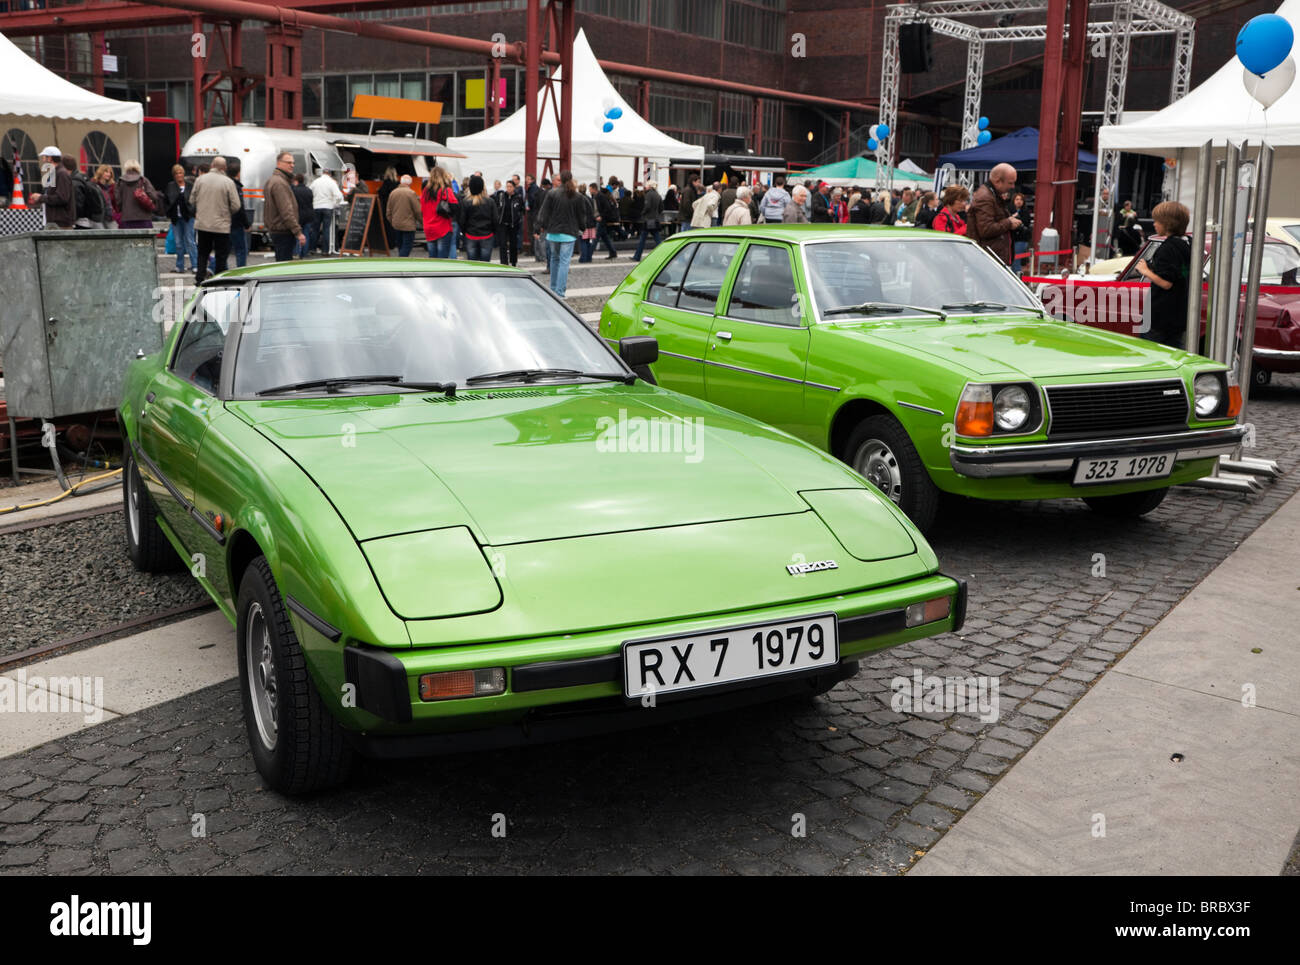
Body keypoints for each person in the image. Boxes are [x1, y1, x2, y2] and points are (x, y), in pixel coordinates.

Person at [1134, 201, 1191, 349]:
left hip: (1159, 317)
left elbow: (1166, 283)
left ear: (1167, 223)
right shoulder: (1185, 245)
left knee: (1150, 358)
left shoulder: (1166, 249)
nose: (1154, 224)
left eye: (1157, 221)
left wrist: (1146, 271)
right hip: (1178, 316)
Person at [535, 170, 591, 298]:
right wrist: (582, 228)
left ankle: (553, 289)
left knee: (554, 260)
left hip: (553, 232)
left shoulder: (552, 193)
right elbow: (581, 215)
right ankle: (560, 292)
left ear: (560, 179)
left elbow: (544, 212)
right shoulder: (577, 196)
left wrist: (538, 227)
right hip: (569, 233)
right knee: (564, 262)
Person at [189, 155, 241, 283]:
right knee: (221, 256)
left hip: (203, 224)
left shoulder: (200, 180)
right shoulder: (228, 182)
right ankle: (218, 279)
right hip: (221, 226)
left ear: (212, 165)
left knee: (203, 253)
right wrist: (227, 213)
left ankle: (200, 277)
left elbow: (191, 200)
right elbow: (236, 205)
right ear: (224, 168)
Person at [967, 162, 1021, 265]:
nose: (1013, 186)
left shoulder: (992, 195)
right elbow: (986, 229)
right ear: (998, 181)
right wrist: (1009, 222)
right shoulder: (985, 197)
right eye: (1010, 183)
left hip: (992, 257)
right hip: (988, 259)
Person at [261, 151, 305, 263]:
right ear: (279, 163)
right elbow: (286, 211)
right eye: (288, 162)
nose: (292, 165)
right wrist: (298, 232)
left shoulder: (275, 180)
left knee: (281, 264)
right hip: (283, 231)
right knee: (284, 265)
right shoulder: (280, 183)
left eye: (293, 163)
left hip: (278, 230)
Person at [29, 146, 75, 228]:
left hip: (60, 223)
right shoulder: (56, 173)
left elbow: (62, 198)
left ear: (50, 158)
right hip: (56, 222)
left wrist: (40, 198)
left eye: (44, 157)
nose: (43, 161)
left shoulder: (61, 174)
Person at [457, 174, 498, 262]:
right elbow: (495, 219)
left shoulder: (465, 202)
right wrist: (493, 232)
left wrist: (465, 232)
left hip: (471, 235)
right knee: (485, 264)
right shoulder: (490, 201)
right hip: (487, 235)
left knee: (472, 264)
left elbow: (462, 220)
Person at [164, 164, 197, 272]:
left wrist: (192, 211)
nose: (179, 175)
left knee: (190, 241)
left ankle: (195, 265)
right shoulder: (170, 186)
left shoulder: (190, 185)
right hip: (176, 217)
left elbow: (194, 201)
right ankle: (180, 265)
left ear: (184, 174)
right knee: (178, 242)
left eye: (181, 173)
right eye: (177, 173)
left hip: (188, 217)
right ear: (174, 175)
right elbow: (167, 201)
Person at [113, 159, 162, 231]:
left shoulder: (120, 182)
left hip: (127, 219)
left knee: (128, 241)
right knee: (145, 241)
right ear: (138, 167)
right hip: (144, 218)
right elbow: (153, 196)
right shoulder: (143, 180)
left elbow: (118, 201)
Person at [421, 166, 459, 259]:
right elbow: (456, 207)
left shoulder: (425, 192)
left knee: (432, 258)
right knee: (442, 259)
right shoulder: (446, 190)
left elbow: (422, 209)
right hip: (443, 228)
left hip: (428, 228)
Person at [310, 169, 345, 254]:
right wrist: (334, 203)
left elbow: (310, 192)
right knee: (326, 229)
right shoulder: (331, 182)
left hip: (316, 207)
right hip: (327, 207)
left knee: (315, 229)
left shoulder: (315, 182)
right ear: (330, 174)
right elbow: (339, 196)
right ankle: (325, 250)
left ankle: (312, 249)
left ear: (323, 173)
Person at [67, 157, 106, 230]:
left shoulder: (75, 183)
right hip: (89, 220)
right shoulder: (83, 178)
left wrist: (72, 217)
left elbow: (78, 205)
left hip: (80, 222)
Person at [495, 177, 525, 266]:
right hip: (503, 223)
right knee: (503, 244)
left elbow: (522, 209)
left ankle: (513, 262)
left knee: (513, 244)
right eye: (507, 186)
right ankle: (504, 262)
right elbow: (497, 207)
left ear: (514, 187)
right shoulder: (501, 196)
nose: (508, 188)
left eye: (510, 186)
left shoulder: (518, 197)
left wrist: (519, 218)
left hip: (513, 224)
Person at [226, 157, 249, 268]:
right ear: (238, 173)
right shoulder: (237, 187)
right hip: (236, 223)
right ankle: (241, 270)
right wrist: (246, 223)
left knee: (224, 250)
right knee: (241, 250)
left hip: (225, 222)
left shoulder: (225, 184)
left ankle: (222, 270)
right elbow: (240, 207)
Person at [632, 179, 663, 262]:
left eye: (646, 185)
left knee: (642, 239)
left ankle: (637, 256)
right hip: (655, 219)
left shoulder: (649, 194)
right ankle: (664, 254)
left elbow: (647, 206)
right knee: (657, 239)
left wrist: (643, 213)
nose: (645, 187)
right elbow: (661, 208)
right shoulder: (658, 195)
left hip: (648, 220)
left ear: (649, 186)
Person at [291, 174, 315, 258]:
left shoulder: (294, 191)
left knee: (297, 234)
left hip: (298, 215)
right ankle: (304, 253)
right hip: (309, 216)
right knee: (306, 235)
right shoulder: (309, 190)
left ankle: (296, 252)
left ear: (296, 181)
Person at [377, 166, 400, 249]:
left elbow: (381, 193)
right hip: (396, 206)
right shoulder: (398, 183)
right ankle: (395, 242)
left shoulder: (386, 182)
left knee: (388, 225)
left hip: (387, 206)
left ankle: (389, 244)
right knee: (395, 225)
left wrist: (378, 190)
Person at [594, 184, 619, 259]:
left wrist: (601, 216)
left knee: (597, 237)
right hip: (609, 220)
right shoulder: (611, 198)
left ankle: (588, 255)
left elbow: (606, 209)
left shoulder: (604, 198)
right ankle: (613, 252)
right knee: (605, 237)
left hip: (604, 220)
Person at [577, 182, 598, 262]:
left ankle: (583, 258)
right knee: (588, 241)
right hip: (591, 223)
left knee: (583, 241)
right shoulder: (590, 198)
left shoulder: (580, 199)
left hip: (584, 224)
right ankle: (589, 257)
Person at [1010, 192, 1032, 265]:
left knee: (1016, 261)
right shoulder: (1009, 210)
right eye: (1017, 199)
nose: (1019, 201)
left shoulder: (1026, 212)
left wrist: (1016, 218)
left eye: (1021, 200)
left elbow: (1025, 223)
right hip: (1011, 238)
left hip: (1021, 238)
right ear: (1013, 201)